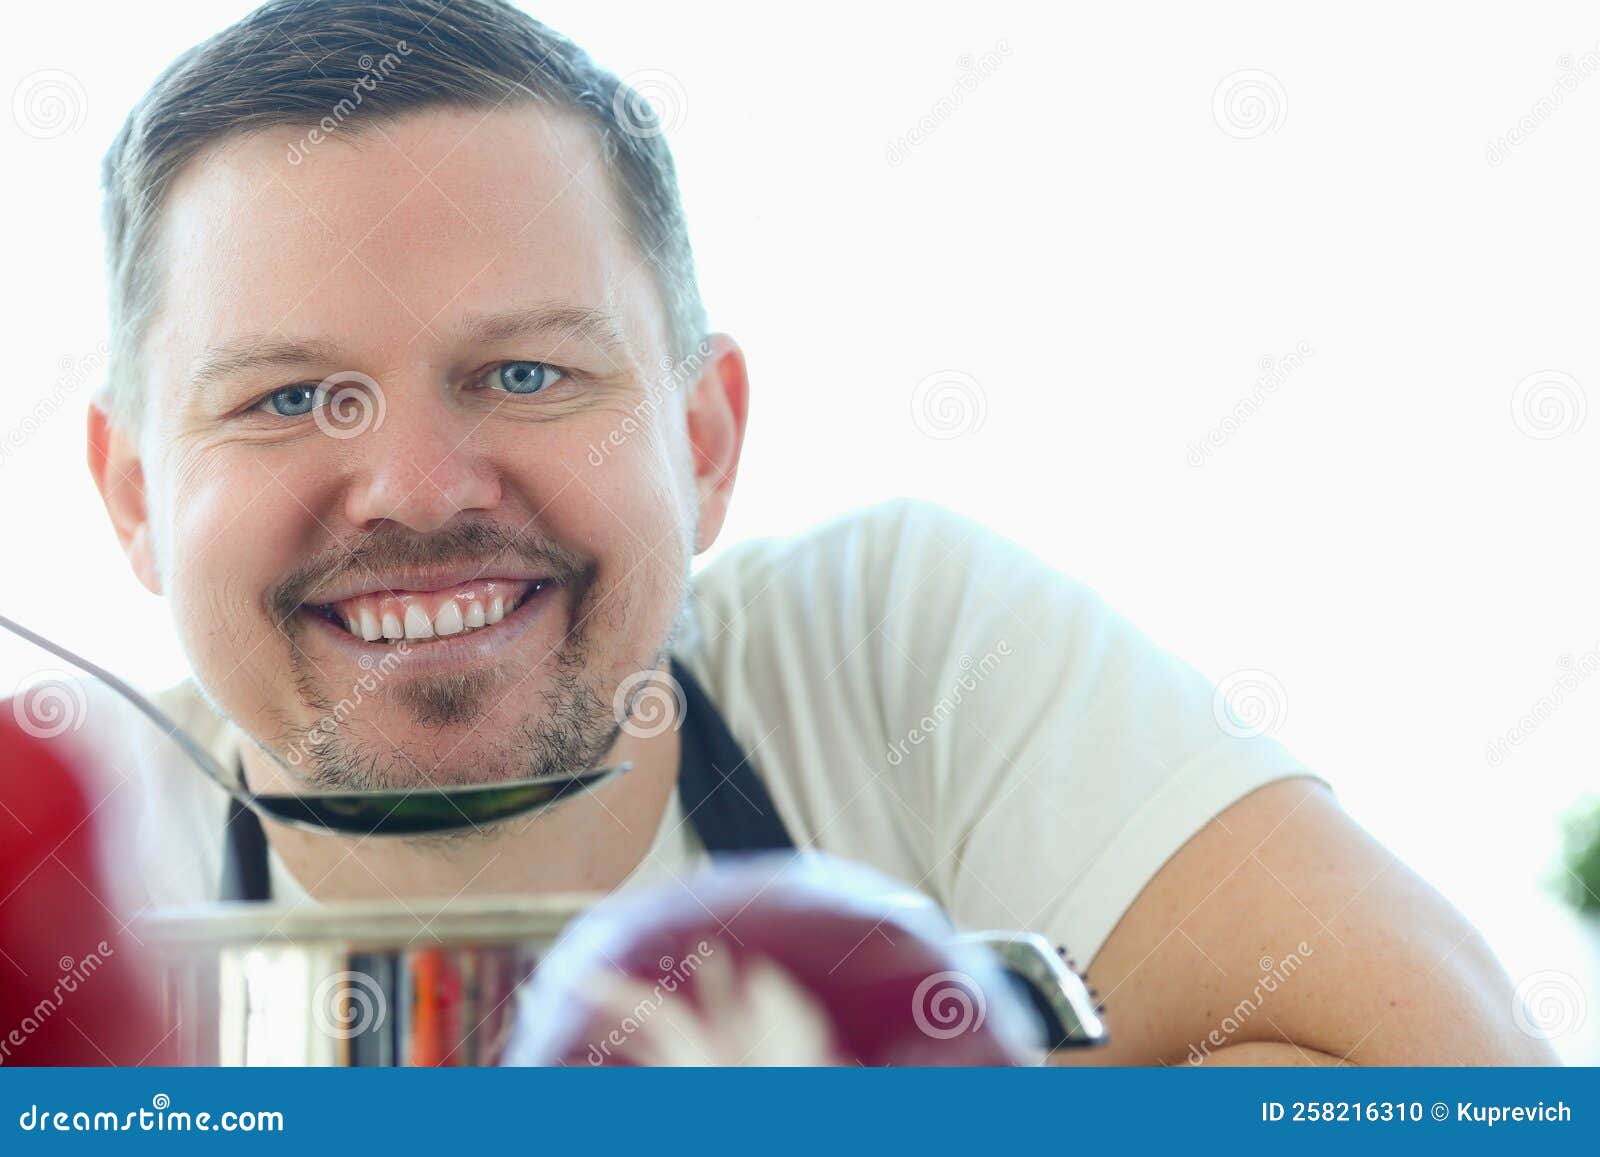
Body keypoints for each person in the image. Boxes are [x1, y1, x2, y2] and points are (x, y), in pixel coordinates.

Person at [72, 0, 1549, 1065]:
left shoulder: (894, 643)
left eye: (526, 372)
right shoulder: (61, 862)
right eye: (287, 396)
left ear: (704, 440)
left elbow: (1454, 1074)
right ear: (135, 494)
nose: (414, 485)